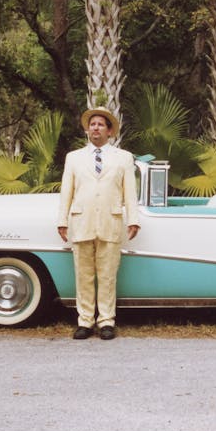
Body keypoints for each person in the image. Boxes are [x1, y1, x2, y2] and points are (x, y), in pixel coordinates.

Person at [56, 107, 140, 340]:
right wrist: (62, 220)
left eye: (101, 124)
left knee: (107, 276)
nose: (95, 128)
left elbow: (130, 192)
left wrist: (133, 219)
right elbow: (66, 191)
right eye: (92, 124)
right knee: (83, 276)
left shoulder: (123, 157)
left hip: (110, 221)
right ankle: (84, 321)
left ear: (109, 131)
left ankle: (106, 321)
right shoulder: (73, 158)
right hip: (81, 221)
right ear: (87, 129)